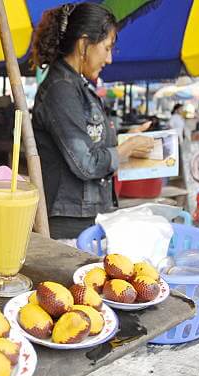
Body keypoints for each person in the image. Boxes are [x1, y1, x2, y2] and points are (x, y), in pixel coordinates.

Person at [31, 2, 153, 239]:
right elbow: (84, 163)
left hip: (87, 217)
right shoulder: (61, 90)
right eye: (107, 48)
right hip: (68, 226)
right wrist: (126, 148)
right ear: (84, 44)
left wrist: (126, 139)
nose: (109, 60)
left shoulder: (76, 86)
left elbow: (90, 141)